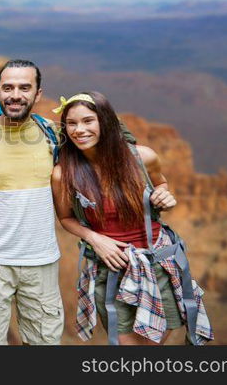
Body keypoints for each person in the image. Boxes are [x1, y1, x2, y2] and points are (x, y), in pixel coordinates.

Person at [52, 91, 213, 345]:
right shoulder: (64, 174)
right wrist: (95, 239)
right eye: (71, 124)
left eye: (87, 121)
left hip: (157, 264)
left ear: (104, 122)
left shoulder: (142, 157)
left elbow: (161, 184)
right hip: (112, 269)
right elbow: (65, 218)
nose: (79, 130)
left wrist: (165, 196)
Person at [0, 59, 64, 345]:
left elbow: (100, 158)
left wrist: (157, 184)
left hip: (42, 263)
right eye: (7, 87)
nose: (15, 95)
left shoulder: (52, 136)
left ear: (38, 94)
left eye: (24, 87)